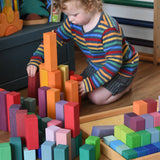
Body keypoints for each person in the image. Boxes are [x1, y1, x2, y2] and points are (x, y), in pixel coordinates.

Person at [27, 0, 139, 105]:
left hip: (122, 68)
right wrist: (37, 58)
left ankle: (125, 87)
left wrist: (89, 84)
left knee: (96, 98)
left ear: (90, 6)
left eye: (74, 15)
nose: (70, 19)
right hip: (97, 65)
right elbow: (54, 38)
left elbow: (114, 63)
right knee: (75, 89)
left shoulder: (108, 30)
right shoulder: (73, 23)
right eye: (68, 15)